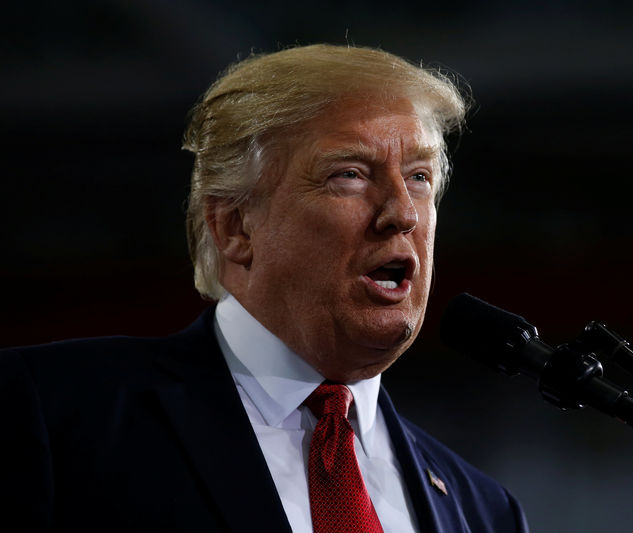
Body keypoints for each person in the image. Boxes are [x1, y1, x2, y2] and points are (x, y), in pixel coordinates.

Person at [0, 44, 529, 532]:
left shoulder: (484, 510)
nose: (401, 213)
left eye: (419, 177)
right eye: (349, 174)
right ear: (235, 226)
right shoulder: (53, 413)